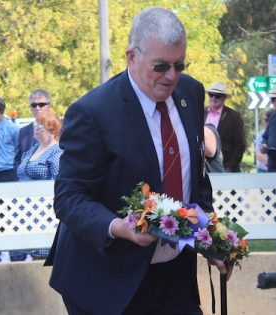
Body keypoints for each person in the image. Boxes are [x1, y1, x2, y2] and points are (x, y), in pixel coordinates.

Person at [47, 8, 229, 315]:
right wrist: (119, 227)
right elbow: (69, 198)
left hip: (174, 277)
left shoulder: (191, 92)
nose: (172, 76)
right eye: (161, 66)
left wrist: (209, 236)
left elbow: (194, 178)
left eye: (179, 65)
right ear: (132, 57)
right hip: (107, 282)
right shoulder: (93, 112)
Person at [9, 111, 63, 262]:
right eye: (36, 125)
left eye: (41, 126)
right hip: (20, 210)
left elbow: (57, 181)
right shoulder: (32, 149)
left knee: (40, 255)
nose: (36, 128)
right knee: (18, 255)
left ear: (52, 131)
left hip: (42, 211)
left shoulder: (57, 151)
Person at [204, 82, 246, 172]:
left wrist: (230, 167)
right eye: (211, 95)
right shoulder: (200, 113)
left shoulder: (234, 117)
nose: (213, 98)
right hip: (204, 167)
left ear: (224, 97)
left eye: (218, 96)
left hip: (225, 167)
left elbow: (240, 145)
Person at [15, 89, 52, 171]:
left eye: (41, 104)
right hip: (28, 180)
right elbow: (17, 159)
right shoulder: (23, 131)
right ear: (30, 108)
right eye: (34, 105)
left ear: (49, 106)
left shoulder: (59, 128)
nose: (37, 108)